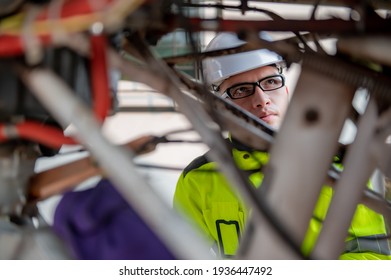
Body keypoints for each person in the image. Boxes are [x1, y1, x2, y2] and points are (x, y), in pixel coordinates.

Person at [173, 32, 391, 259]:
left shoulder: (339, 167)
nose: (262, 99)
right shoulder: (197, 179)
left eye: (271, 82)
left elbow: (373, 258)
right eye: (241, 90)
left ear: (286, 90)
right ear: (219, 104)